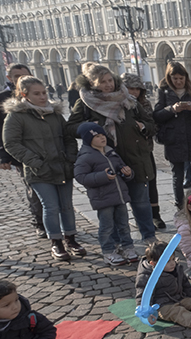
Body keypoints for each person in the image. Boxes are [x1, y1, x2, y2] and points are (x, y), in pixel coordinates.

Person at [68, 64, 157, 244]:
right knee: (114, 204)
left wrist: (144, 127)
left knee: (141, 201)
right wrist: (89, 127)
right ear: (92, 84)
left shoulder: (128, 99)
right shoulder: (86, 102)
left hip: (135, 158)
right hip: (106, 161)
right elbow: (70, 127)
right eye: (102, 82)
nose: (108, 85)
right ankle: (118, 241)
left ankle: (149, 236)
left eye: (110, 80)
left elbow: (151, 123)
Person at [2, 76, 86, 262]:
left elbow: (68, 138)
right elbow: (11, 143)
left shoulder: (54, 114)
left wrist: (70, 157)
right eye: (37, 94)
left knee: (66, 206)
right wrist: (34, 161)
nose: (42, 97)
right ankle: (56, 242)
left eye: (44, 93)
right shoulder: (17, 116)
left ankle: (71, 239)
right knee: (51, 206)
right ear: (25, 95)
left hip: (62, 166)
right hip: (38, 171)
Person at [0, 64, 45, 237]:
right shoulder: (0, 99)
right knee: (34, 190)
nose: (21, 79)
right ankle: (40, 222)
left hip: (47, 153)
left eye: (24, 76)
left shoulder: (40, 96)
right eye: (17, 76)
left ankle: (57, 222)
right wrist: (2, 156)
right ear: (9, 78)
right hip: (22, 155)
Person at [73, 123, 136, 266]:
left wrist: (128, 173)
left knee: (123, 224)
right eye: (97, 136)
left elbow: (121, 169)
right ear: (88, 139)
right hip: (103, 198)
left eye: (103, 135)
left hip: (119, 196)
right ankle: (108, 251)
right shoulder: (86, 156)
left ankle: (127, 247)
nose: (102, 138)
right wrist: (103, 176)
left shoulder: (111, 152)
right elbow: (80, 176)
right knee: (106, 227)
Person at [154, 61, 191, 210]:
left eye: (181, 78)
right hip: (174, 140)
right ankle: (180, 206)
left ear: (186, 77)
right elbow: (157, 116)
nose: (179, 82)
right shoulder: (163, 91)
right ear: (169, 78)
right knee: (177, 177)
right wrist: (172, 109)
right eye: (175, 78)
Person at [122, 73, 167, 232]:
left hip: (145, 150)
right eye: (130, 89)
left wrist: (143, 127)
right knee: (135, 187)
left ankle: (155, 215)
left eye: (137, 89)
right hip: (125, 152)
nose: (134, 92)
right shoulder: (118, 105)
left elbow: (152, 125)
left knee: (151, 182)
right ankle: (139, 217)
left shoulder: (144, 104)